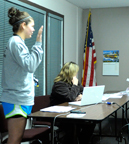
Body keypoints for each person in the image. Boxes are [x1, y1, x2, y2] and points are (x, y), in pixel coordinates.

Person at [0, 7, 43, 144]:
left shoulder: (18, 43)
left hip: (19, 98)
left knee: (16, 139)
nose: (34, 29)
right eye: (32, 26)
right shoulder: (16, 42)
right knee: (14, 139)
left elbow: (22, 69)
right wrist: (38, 43)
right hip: (16, 99)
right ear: (23, 25)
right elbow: (30, 65)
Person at [50, 61, 95, 144]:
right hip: (60, 116)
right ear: (70, 73)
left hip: (71, 112)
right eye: (75, 72)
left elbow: (83, 92)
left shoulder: (72, 83)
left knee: (90, 123)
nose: (77, 74)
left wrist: (80, 95)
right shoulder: (59, 85)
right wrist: (75, 85)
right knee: (75, 126)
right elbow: (70, 97)